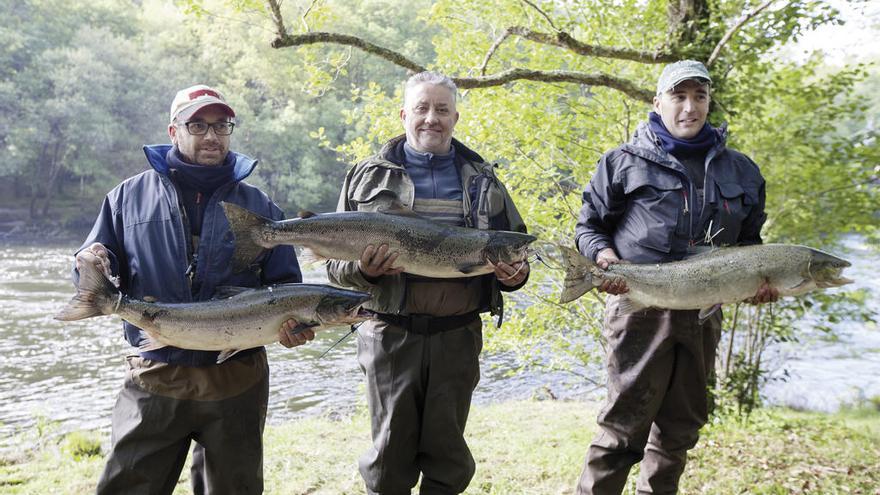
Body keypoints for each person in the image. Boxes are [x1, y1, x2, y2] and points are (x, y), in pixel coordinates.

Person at [74, 84, 315, 494]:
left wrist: (294, 326)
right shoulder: (126, 197)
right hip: (154, 374)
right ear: (173, 131)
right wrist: (90, 263)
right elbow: (92, 268)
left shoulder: (260, 207)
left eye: (221, 126)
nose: (211, 136)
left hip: (237, 379)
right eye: (198, 124)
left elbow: (286, 286)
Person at [573, 60, 778, 494]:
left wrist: (761, 285)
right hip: (639, 309)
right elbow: (588, 229)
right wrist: (604, 258)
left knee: (678, 431)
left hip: (703, 317)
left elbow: (752, 245)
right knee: (621, 431)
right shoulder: (621, 163)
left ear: (708, 102)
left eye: (699, 97)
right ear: (658, 102)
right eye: (679, 96)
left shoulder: (742, 171)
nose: (690, 107)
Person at [326, 71, 530, 495]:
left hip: (458, 338)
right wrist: (365, 272)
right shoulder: (366, 177)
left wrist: (518, 276)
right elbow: (332, 267)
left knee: (448, 458)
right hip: (389, 335)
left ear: (455, 116)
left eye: (441, 110)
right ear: (404, 115)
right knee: (388, 460)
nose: (431, 119)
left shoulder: (484, 178)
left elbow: (517, 248)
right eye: (421, 108)